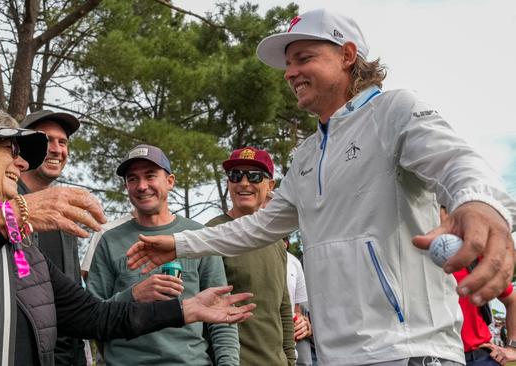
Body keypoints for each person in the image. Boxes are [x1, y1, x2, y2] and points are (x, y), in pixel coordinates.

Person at [126, 8, 516, 366]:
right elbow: (258, 227)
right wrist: (179, 244)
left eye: (304, 58)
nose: (289, 73)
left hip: (409, 350)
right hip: (336, 357)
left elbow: (457, 161)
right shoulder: (307, 154)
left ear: (347, 55)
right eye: (287, 64)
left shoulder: (394, 110)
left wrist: (478, 203)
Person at [0, 103, 255, 366]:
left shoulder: (22, 249)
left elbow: (96, 316)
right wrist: (9, 216)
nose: (20, 161)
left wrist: (185, 310)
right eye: (8, 147)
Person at [87, 144, 240, 365]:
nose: (141, 186)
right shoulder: (109, 241)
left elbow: (221, 315)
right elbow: (92, 317)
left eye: (150, 176)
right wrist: (133, 295)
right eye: (132, 179)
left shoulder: (199, 237)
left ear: (170, 182)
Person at [205, 146, 296, 365]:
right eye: (236, 175)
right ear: (228, 183)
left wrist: (290, 360)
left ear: (270, 185)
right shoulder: (209, 235)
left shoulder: (275, 239)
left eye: (254, 176)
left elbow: (283, 308)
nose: (244, 182)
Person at [17, 109, 85, 366]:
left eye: (63, 142)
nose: (56, 149)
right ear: (22, 146)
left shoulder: (66, 214)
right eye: (46, 139)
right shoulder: (3, 205)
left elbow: (73, 293)